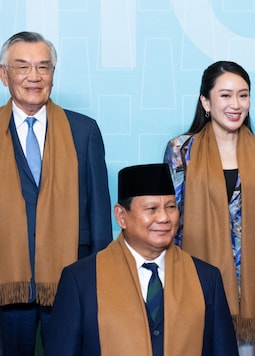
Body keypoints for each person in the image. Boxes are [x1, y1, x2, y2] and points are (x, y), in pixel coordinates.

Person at [45, 164, 238, 355]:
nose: (164, 218)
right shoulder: (81, 280)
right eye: (151, 208)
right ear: (121, 216)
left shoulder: (206, 278)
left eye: (171, 207)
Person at [163, 61, 255, 355]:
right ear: (206, 101)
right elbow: (171, 222)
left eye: (243, 95)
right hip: (195, 288)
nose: (236, 104)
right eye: (226, 95)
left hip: (254, 296)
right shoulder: (181, 149)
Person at [0, 31, 112, 355]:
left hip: (71, 281)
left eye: (43, 67)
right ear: (5, 75)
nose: (34, 77)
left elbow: (101, 218)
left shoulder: (83, 130)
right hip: (6, 285)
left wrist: (97, 282)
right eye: (22, 67)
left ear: (52, 74)